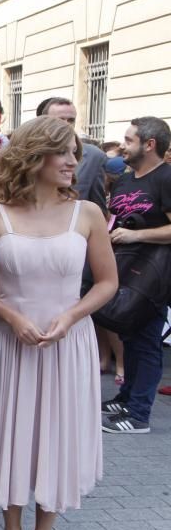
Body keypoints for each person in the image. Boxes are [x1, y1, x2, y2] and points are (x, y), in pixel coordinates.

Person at [0, 116, 117, 530]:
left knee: (57, 437)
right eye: (63, 152)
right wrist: (10, 316)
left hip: (68, 345)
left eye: (76, 152)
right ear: (34, 157)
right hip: (11, 344)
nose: (75, 161)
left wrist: (71, 317)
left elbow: (108, 282)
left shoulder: (87, 213)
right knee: (14, 436)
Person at [101, 116, 171, 434]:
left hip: (156, 274)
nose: (124, 145)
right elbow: (115, 219)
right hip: (126, 268)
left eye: (129, 140)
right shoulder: (128, 178)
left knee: (146, 341)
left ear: (149, 144)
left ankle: (140, 413)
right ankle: (127, 396)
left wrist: (136, 237)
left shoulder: (166, 178)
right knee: (129, 335)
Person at [36, 97, 107, 212]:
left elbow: (99, 206)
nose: (66, 124)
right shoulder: (28, 153)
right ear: (43, 121)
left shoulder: (94, 157)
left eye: (71, 120)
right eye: (60, 119)